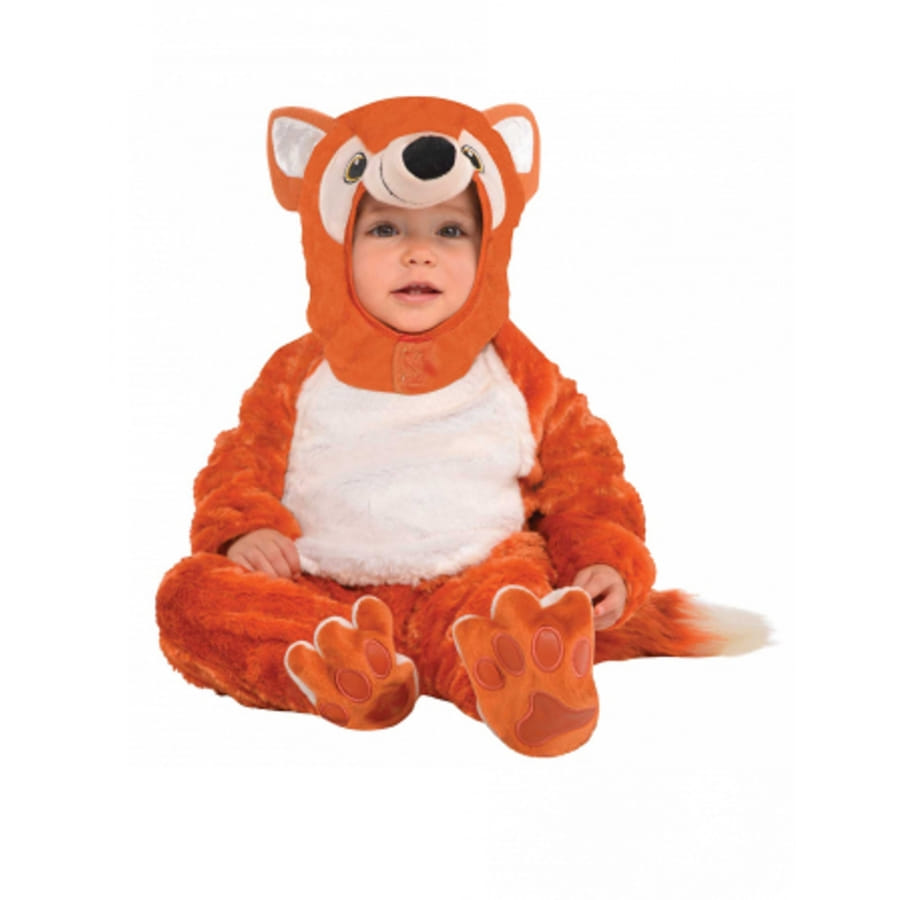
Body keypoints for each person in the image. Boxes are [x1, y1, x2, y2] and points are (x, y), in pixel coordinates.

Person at [156, 97, 721, 757]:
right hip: (321, 592)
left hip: (471, 583)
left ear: (488, 249)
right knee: (188, 596)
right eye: (385, 230)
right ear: (336, 245)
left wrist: (601, 561)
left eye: (450, 230)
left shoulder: (518, 370)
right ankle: (341, 667)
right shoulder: (298, 372)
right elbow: (241, 464)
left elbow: (585, 476)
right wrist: (244, 531)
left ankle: (521, 676)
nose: (418, 254)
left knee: (512, 595)